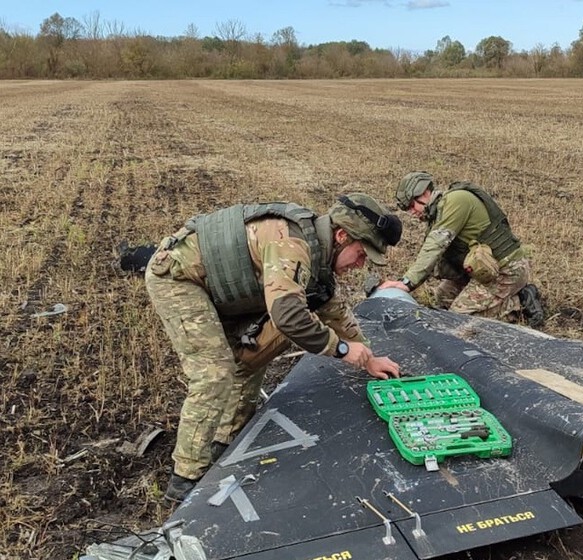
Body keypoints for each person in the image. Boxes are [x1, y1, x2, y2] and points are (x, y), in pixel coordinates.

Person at [145, 193, 402, 502]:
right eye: (361, 254)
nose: (360, 265)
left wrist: (368, 356)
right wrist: (343, 351)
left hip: (226, 291)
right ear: (342, 236)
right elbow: (289, 315)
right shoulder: (292, 244)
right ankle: (186, 477)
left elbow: (332, 310)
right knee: (215, 371)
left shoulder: (319, 256)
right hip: (180, 279)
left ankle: (225, 440)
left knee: (252, 355)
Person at [379, 172, 544, 326]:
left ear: (423, 193)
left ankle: (519, 303)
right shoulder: (439, 214)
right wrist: (404, 282)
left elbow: (435, 246)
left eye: (411, 205)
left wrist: (407, 283)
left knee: (459, 320)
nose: (411, 212)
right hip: (481, 271)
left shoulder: (456, 201)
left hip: (506, 269)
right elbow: (432, 258)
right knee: (440, 301)